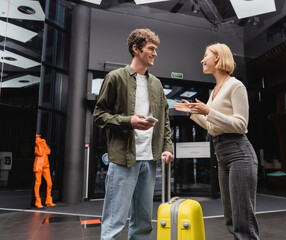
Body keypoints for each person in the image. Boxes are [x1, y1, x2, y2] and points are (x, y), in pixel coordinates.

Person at [93, 28, 174, 240]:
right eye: (151, 49)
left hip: (149, 160)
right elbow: (99, 115)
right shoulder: (115, 78)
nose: (155, 53)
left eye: (156, 49)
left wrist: (167, 147)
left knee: (143, 222)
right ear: (136, 48)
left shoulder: (156, 84)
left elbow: (164, 119)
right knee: (114, 221)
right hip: (123, 160)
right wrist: (129, 122)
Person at [174, 43, 259, 240]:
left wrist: (208, 111)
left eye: (206, 56)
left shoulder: (235, 86)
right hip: (222, 153)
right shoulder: (215, 90)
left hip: (239, 152)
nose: (202, 60)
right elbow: (212, 126)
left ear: (218, 58)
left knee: (243, 218)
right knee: (231, 218)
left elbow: (241, 124)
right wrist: (194, 114)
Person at [33, 134, 56, 208]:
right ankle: (37, 201)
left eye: (39, 137)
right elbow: (39, 153)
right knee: (38, 182)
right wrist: (39, 144)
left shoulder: (43, 144)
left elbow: (48, 152)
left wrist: (44, 144)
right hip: (39, 165)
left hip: (46, 165)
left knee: (49, 183)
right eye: (37, 138)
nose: (39, 139)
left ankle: (48, 200)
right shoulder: (36, 147)